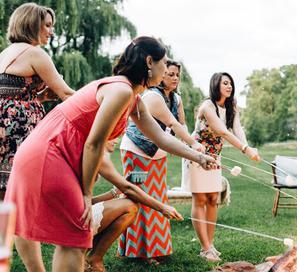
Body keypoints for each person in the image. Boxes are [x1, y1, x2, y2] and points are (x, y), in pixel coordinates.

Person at [4, 36, 215, 272]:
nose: (166, 69)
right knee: (77, 232)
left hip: (49, 150)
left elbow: (161, 136)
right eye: (164, 63)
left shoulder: (131, 95)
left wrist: (197, 156)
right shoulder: (121, 90)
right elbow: (94, 144)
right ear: (149, 61)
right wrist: (86, 192)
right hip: (50, 151)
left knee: (73, 235)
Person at [118, 60, 204, 261]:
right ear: (161, 75)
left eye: (177, 75)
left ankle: (157, 248)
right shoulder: (152, 96)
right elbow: (171, 122)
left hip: (157, 155)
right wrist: (193, 145)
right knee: (140, 198)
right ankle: (138, 251)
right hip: (136, 152)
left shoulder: (176, 99)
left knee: (157, 200)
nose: (175, 78)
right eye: (170, 74)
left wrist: (187, 142)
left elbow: (181, 124)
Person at [0, 2, 74, 198]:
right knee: (23, 188)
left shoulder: (5, 52)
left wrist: (41, 98)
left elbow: (9, 98)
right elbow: (66, 94)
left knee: (4, 189)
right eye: (47, 25)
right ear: (32, 24)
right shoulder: (35, 53)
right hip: (20, 129)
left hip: (4, 125)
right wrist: (101, 101)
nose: (51, 32)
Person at [189, 72, 261, 262]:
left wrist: (248, 147)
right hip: (197, 156)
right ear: (216, 85)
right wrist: (245, 149)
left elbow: (237, 129)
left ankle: (210, 244)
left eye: (231, 84)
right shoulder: (207, 106)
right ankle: (205, 248)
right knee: (200, 199)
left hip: (215, 156)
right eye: (225, 83)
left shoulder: (231, 106)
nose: (229, 87)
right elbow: (221, 130)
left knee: (213, 198)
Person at [85, 139, 183, 272]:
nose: (116, 140)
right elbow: (128, 190)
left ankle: (92, 257)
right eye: (112, 136)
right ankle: (86, 255)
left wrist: (117, 190)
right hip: (73, 218)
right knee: (129, 206)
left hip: (81, 210)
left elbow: (89, 201)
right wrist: (162, 208)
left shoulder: (97, 156)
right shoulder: (95, 156)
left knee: (130, 207)